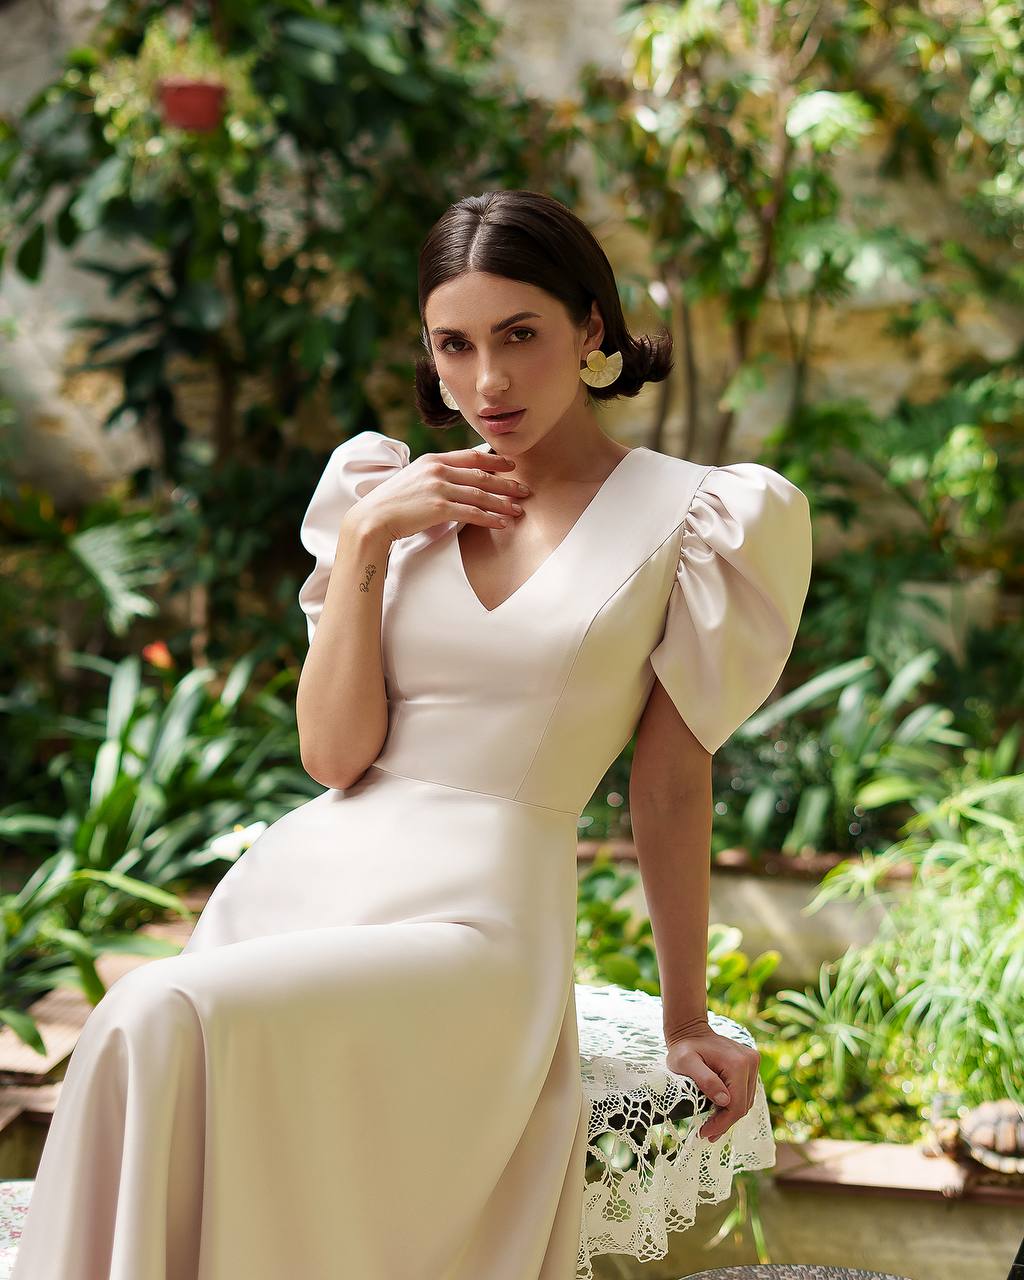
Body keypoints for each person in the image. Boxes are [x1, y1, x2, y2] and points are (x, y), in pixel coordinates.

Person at [10, 188, 812, 1280]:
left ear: (590, 328)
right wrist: (375, 539)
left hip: (478, 928)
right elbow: (334, 756)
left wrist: (687, 1018)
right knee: (150, 1016)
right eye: (455, 344)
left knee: (155, 1006)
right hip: (302, 885)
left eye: (519, 335)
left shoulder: (698, 516)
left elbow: (670, 783)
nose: (486, 381)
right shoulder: (382, 494)